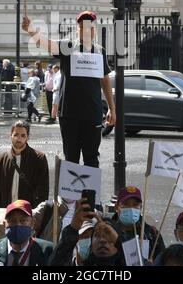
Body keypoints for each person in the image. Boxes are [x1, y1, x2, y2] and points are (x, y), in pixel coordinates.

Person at [22, 10, 116, 167]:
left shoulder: (100, 51)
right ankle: (70, 192)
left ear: (94, 30)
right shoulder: (67, 47)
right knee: (71, 158)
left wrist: (112, 108)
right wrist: (31, 30)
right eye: (82, 27)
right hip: (69, 114)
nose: (86, 30)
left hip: (92, 113)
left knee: (91, 158)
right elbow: (46, 43)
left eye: (89, 27)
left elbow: (105, 80)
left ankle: (89, 192)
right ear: (77, 30)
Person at [0, 120, 49, 208]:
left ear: (27, 137)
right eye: (15, 135)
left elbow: (43, 192)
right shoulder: (0, 159)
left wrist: (37, 215)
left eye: (23, 135)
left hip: (28, 215)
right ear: (10, 136)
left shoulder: (39, 158)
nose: (19, 139)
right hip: (6, 213)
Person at [0, 199, 52, 266]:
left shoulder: (48, 251)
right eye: (12, 221)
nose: (18, 225)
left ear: (32, 223)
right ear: (4, 224)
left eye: (23, 220)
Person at [113, 186, 165, 261]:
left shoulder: (152, 234)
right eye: (126, 204)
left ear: (141, 208)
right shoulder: (107, 232)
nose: (131, 208)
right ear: (116, 207)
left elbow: (163, 260)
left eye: (135, 205)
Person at [49, 199, 97, 266]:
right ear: (76, 239)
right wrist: (73, 229)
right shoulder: (65, 263)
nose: (88, 240)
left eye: (92, 236)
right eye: (84, 235)